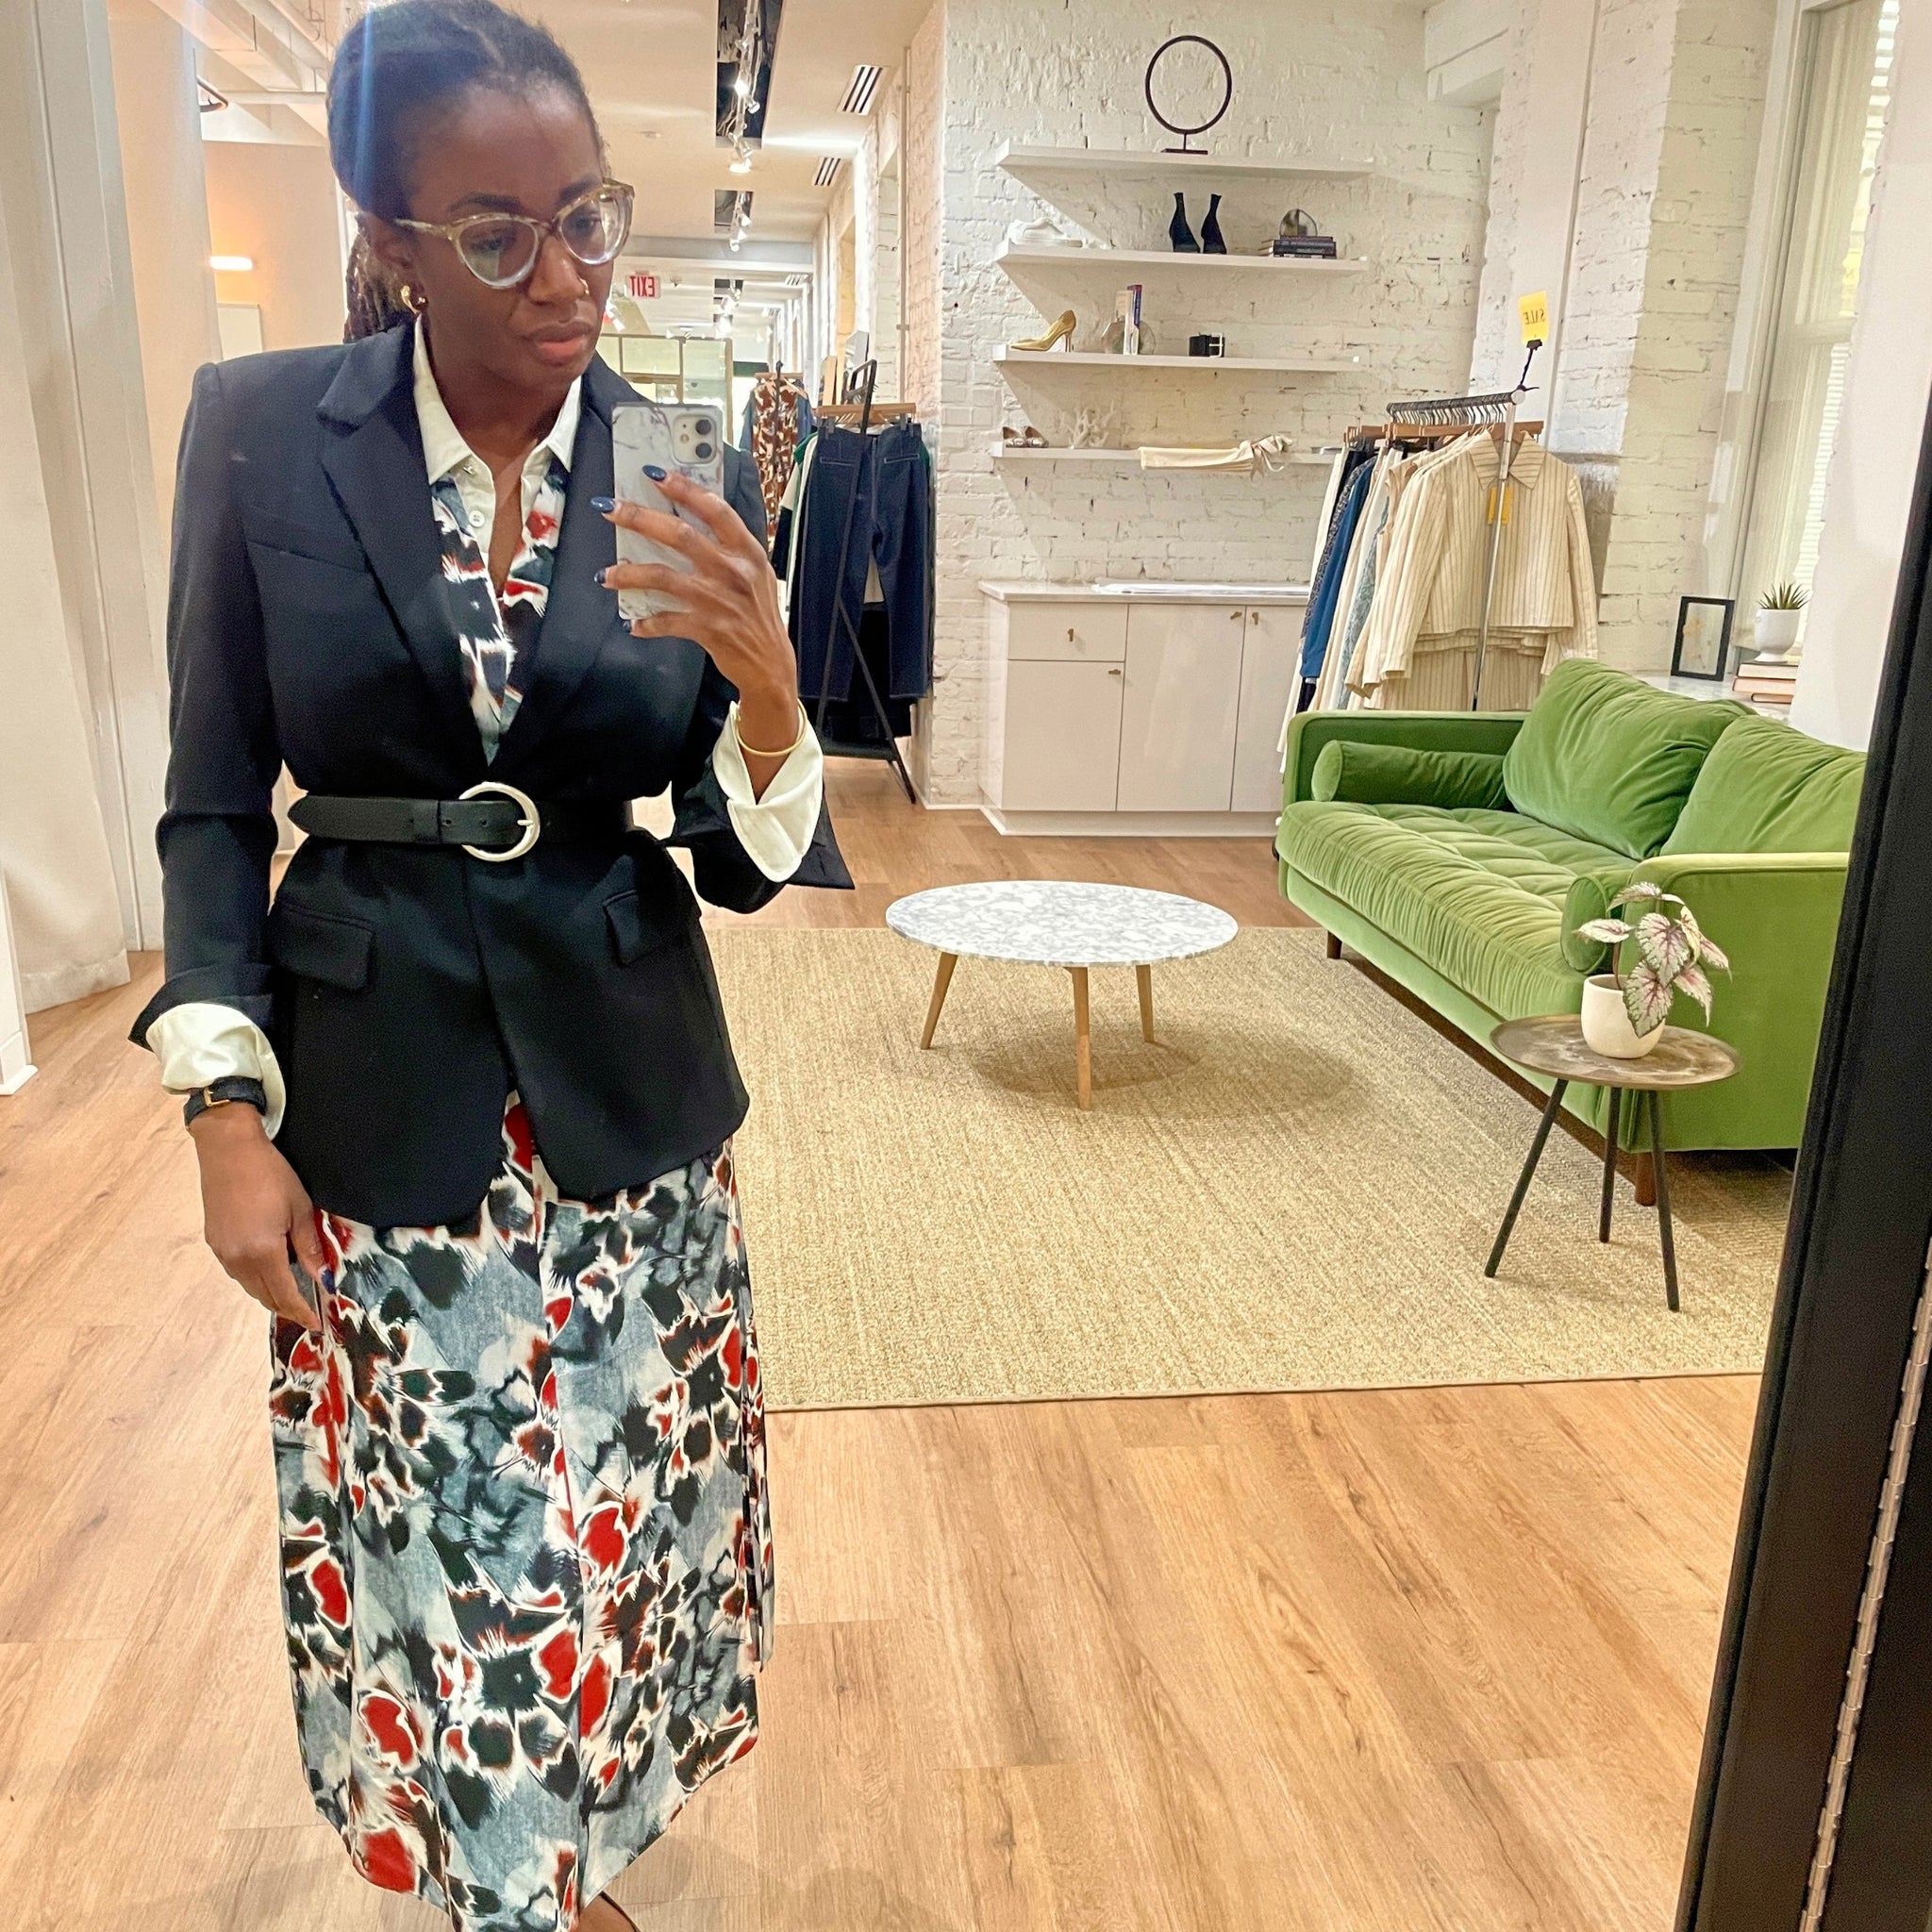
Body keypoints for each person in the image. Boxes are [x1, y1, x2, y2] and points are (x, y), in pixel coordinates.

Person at [129, 3, 850, 1925]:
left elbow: (727, 837)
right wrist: (220, 1109)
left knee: (617, 1525)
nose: (567, 278)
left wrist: (776, 713)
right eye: (500, 232)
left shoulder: (674, 454)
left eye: (591, 219)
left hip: (626, 1089)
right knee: (460, 1537)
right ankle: (512, 1890)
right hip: (378, 1092)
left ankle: (576, 1862)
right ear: (387, 236)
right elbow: (213, 799)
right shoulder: (266, 432)